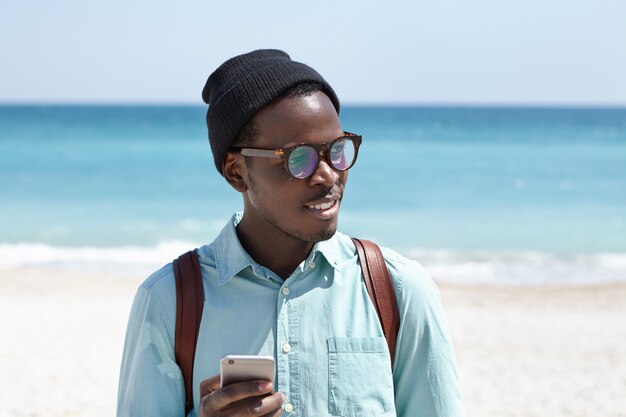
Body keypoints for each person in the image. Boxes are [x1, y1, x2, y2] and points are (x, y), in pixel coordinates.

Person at [117, 49, 464, 417]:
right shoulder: (169, 300)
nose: (329, 175)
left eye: (336, 150)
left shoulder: (397, 290)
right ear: (236, 171)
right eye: (299, 158)